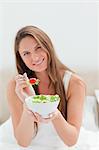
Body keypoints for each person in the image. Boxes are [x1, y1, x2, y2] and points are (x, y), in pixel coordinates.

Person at [7, 25, 86, 150]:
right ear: (20, 57)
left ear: (48, 46)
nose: (35, 57)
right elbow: (23, 142)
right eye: (26, 53)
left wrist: (53, 112)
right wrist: (28, 102)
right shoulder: (16, 85)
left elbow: (71, 140)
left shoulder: (74, 83)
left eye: (38, 48)